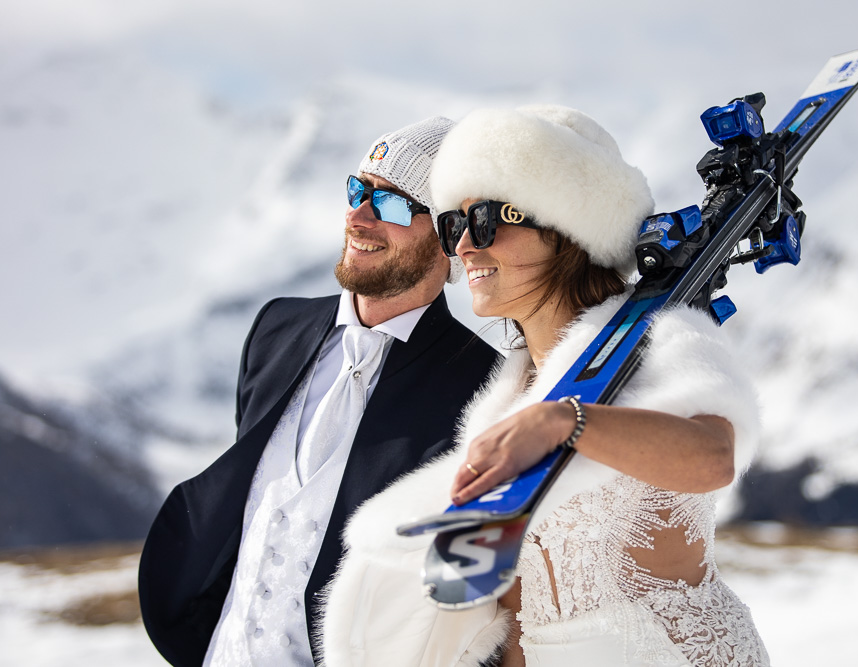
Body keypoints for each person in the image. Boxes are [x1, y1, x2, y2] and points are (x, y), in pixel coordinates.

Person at [319, 106, 769, 666]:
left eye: (483, 221)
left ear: (563, 231)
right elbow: (517, 605)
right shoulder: (501, 403)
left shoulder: (662, 336)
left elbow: (712, 457)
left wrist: (565, 422)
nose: (462, 247)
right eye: (453, 226)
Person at [137, 116, 500, 666]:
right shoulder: (275, 329)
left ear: (449, 237)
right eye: (358, 191)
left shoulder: (484, 385)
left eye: (395, 205)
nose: (358, 217)